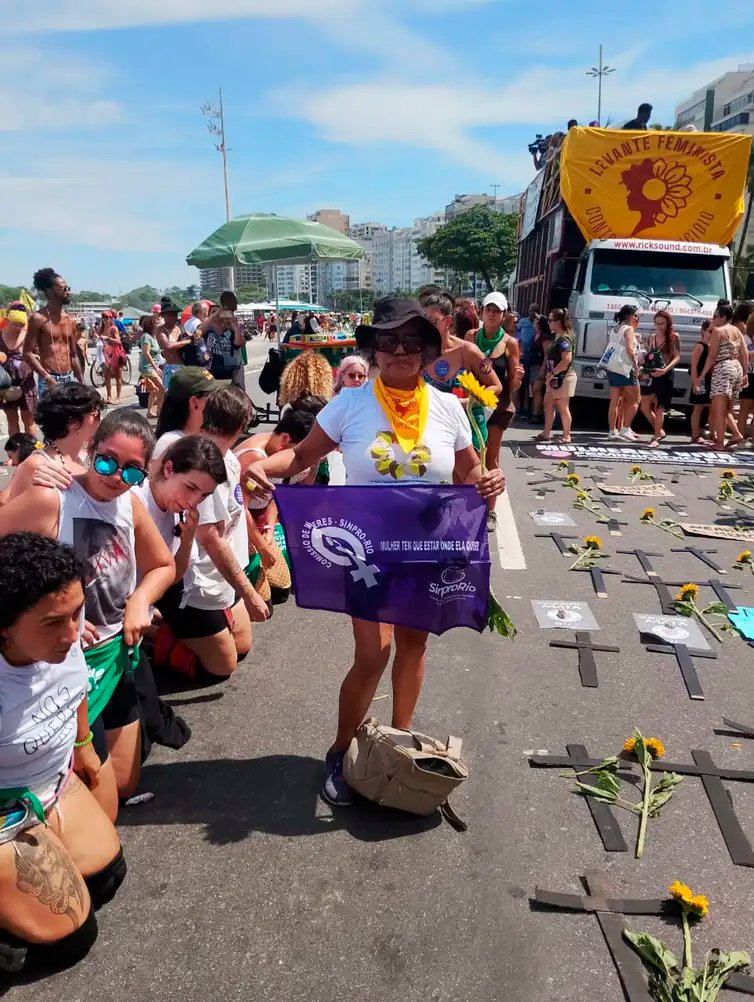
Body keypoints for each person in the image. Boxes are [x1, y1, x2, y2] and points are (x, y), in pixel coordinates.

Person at [244, 297, 506, 807]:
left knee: (413, 646)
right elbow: (301, 455)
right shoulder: (350, 404)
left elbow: (469, 472)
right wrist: (256, 466)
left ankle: (394, 747)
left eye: (410, 342)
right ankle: (341, 752)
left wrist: (487, 481)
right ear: (375, 351)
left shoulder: (448, 407)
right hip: (365, 550)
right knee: (372, 654)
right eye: (389, 342)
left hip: (425, 548)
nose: (400, 351)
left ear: (426, 351)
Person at [0, 411, 176, 814]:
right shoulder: (53, 498)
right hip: (59, 663)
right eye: (106, 462)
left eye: (131, 471)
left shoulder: (130, 505)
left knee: (125, 784)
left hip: (115, 653)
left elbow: (163, 565)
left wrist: (139, 601)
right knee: (90, 791)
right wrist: (59, 623)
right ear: (90, 450)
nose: (116, 477)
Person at [0, 533, 126, 976]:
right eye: (53, 622)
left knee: (106, 878)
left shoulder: (64, 638)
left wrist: (83, 742)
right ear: (4, 626)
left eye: (77, 613)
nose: (73, 634)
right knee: (69, 941)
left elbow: (75, 686)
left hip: (52, 782)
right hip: (5, 809)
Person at [154, 387, 269, 680]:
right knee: (222, 668)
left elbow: (236, 512)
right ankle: (155, 637)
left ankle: (191, 632)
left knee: (242, 646)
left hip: (221, 577)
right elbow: (211, 539)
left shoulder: (228, 459)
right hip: (196, 583)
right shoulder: (201, 463)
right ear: (242, 424)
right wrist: (249, 593)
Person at [136, 435, 227, 585]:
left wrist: (187, 541)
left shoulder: (181, 516)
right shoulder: (135, 499)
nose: (193, 501)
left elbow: (172, 577)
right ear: (168, 469)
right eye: (190, 488)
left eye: (204, 495)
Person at [465, 293, 521, 529]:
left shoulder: (510, 343)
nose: (491, 314)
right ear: (481, 311)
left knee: (491, 458)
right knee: (470, 457)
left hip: (498, 406)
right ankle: (468, 505)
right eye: (488, 309)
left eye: (496, 311)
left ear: (503, 314)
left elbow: (513, 384)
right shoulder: (471, 336)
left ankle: (490, 511)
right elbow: (463, 367)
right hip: (471, 405)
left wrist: (518, 379)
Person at [1, 383, 104, 505]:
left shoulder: (88, 456)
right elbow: (4, 502)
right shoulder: (38, 463)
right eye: (95, 415)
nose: (100, 420)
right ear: (74, 422)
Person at [25, 268, 84, 396]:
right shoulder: (38, 318)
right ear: (50, 291)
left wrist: (82, 383)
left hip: (69, 379)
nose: (68, 292)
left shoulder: (70, 320)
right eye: (64, 288)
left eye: (68, 288)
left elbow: (73, 355)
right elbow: (27, 353)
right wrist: (47, 378)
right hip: (49, 381)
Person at [699, 303, 748, 449]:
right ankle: (735, 434)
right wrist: (745, 373)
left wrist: (702, 375)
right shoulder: (737, 331)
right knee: (724, 408)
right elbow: (744, 353)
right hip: (736, 368)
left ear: (724, 317)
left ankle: (721, 442)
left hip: (723, 368)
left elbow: (712, 356)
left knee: (719, 410)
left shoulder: (718, 331)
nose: (713, 319)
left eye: (715, 316)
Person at [639, 310, 680, 447]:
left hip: (666, 374)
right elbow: (650, 356)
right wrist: (645, 370)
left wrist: (665, 370)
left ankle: (656, 437)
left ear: (668, 323)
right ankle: (659, 430)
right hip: (653, 373)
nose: (659, 326)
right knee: (644, 405)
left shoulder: (673, 337)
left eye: (662, 323)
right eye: (657, 323)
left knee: (660, 407)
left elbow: (677, 357)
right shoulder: (652, 337)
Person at [536, 308, 577, 443]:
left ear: (559, 322)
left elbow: (566, 359)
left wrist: (553, 373)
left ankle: (566, 435)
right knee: (548, 403)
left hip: (563, 376)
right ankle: (546, 433)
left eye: (551, 320)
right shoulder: (557, 338)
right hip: (553, 376)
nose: (548, 323)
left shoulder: (565, 338)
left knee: (562, 406)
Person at [605, 305, 641, 441]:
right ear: (629, 316)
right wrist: (636, 366)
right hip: (625, 367)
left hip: (612, 367)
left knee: (614, 401)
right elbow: (629, 349)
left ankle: (612, 431)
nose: (637, 318)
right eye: (635, 315)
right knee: (636, 399)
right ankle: (625, 428)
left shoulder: (615, 329)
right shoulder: (628, 329)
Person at [0, 306, 38, 438]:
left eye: (21, 325)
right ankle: (15, 449)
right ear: (7, 321)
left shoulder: (28, 337)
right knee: (12, 419)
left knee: (29, 421)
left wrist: (36, 358)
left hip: (27, 384)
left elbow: (38, 354)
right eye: (15, 324)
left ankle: (32, 448)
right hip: (6, 385)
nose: (18, 328)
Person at [154, 366, 216, 443]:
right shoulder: (172, 443)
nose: (216, 399)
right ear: (194, 402)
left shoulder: (206, 436)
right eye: (211, 395)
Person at [199, 291, 245, 389]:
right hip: (211, 371)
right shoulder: (208, 328)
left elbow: (238, 344)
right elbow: (198, 332)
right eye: (213, 312)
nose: (221, 315)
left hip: (228, 371)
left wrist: (235, 326)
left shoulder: (230, 327)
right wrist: (214, 316)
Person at [155, 298, 190, 390]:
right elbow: (167, 346)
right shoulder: (161, 330)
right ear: (163, 315)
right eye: (170, 315)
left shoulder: (180, 328)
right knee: (170, 395)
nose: (174, 317)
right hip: (171, 368)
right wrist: (186, 341)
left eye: (175, 314)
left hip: (184, 367)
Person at [689, 319, 713, 443]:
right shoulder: (700, 346)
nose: (712, 334)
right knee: (698, 408)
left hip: (708, 380)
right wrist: (695, 383)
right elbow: (693, 366)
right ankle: (695, 435)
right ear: (703, 331)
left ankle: (711, 434)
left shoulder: (710, 346)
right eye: (710, 331)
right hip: (700, 380)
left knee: (710, 408)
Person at [138, 315, 164, 419]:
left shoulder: (153, 336)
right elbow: (146, 353)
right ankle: (159, 410)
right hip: (147, 367)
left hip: (153, 366)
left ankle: (151, 411)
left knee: (155, 390)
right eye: (156, 323)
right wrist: (155, 367)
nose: (158, 324)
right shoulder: (146, 337)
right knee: (161, 388)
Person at [517, 303, 540, 417]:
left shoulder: (539, 322)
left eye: (535, 310)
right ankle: (521, 407)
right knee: (521, 384)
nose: (532, 312)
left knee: (531, 385)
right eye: (531, 310)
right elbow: (516, 333)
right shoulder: (523, 322)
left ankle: (529, 409)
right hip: (522, 356)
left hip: (533, 359)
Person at [100, 312, 126, 405]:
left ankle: (118, 397)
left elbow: (118, 341)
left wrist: (108, 338)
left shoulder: (113, 328)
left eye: (108, 317)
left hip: (115, 353)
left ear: (111, 318)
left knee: (117, 376)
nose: (106, 319)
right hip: (106, 354)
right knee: (106, 376)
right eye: (104, 317)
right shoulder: (102, 329)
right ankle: (109, 396)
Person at [527, 315, 550, 423]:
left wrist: (543, 370)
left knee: (537, 389)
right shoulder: (535, 336)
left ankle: (537, 414)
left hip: (539, 366)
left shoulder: (544, 338)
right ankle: (534, 412)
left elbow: (547, 355)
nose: (534, 323)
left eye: (536, 321)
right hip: (532, 366)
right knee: (533, 390)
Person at [738, 313, 754, 441]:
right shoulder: (746, 338)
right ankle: (739, 437)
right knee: (744, 408)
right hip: (749, 375)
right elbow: (743, 356)